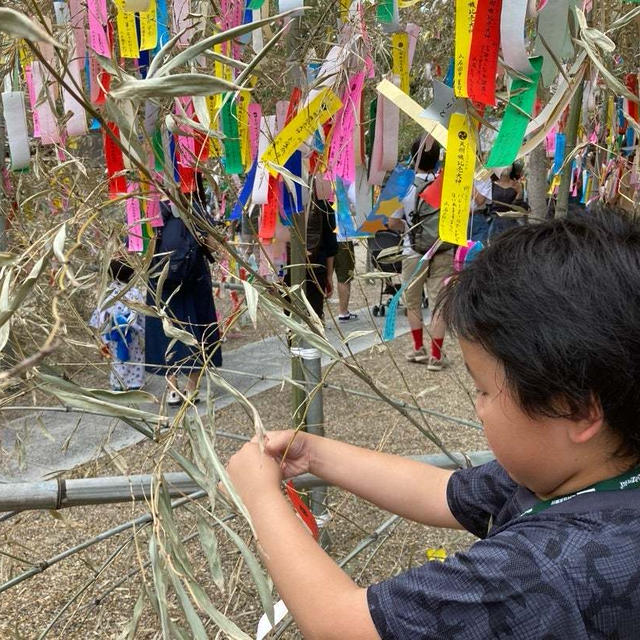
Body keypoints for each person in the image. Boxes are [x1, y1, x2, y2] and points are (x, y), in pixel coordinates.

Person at [226, 208, 640, 639]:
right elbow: (442, 492)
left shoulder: (544, 571)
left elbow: (342, 626)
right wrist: (313, 453)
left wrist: (260, 499)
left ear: (575, 409)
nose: (477, 406)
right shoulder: (587, 473)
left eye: (482, 389)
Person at [145, 180, 222, 406]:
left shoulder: (149, 209)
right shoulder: (194, 208)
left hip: (161, 284)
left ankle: (171, 390)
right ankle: (192, 389)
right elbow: (214, 246)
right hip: (194, 280)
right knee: (196, 330)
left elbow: (137, 248)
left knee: (165, 332)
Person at [388, 137, 452, 370]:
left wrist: (409, 227)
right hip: (442, 249)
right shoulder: (446, 184)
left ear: (413, 157)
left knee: (413, 301)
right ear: (437, 160)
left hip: (412, 250)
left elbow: (393, 221)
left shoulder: (405, 186)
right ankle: (436, 356)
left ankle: (418, 348)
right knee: (439, 303)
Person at [90, 258, 145, 391]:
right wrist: (143, 332)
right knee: (134, 360)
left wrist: (102, 338)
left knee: (118, 361)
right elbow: (142, 316)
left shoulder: (107, 294)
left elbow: (99, 317)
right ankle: (135, 384)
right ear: (132, 274)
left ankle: (118, 384)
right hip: (132, 335)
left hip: (113, 334)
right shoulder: (135, 294)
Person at [334, 240, 358, 321]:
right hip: (342, 239)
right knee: (344, 277)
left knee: (323, 275)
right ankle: (343, 312)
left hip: (323, 238)